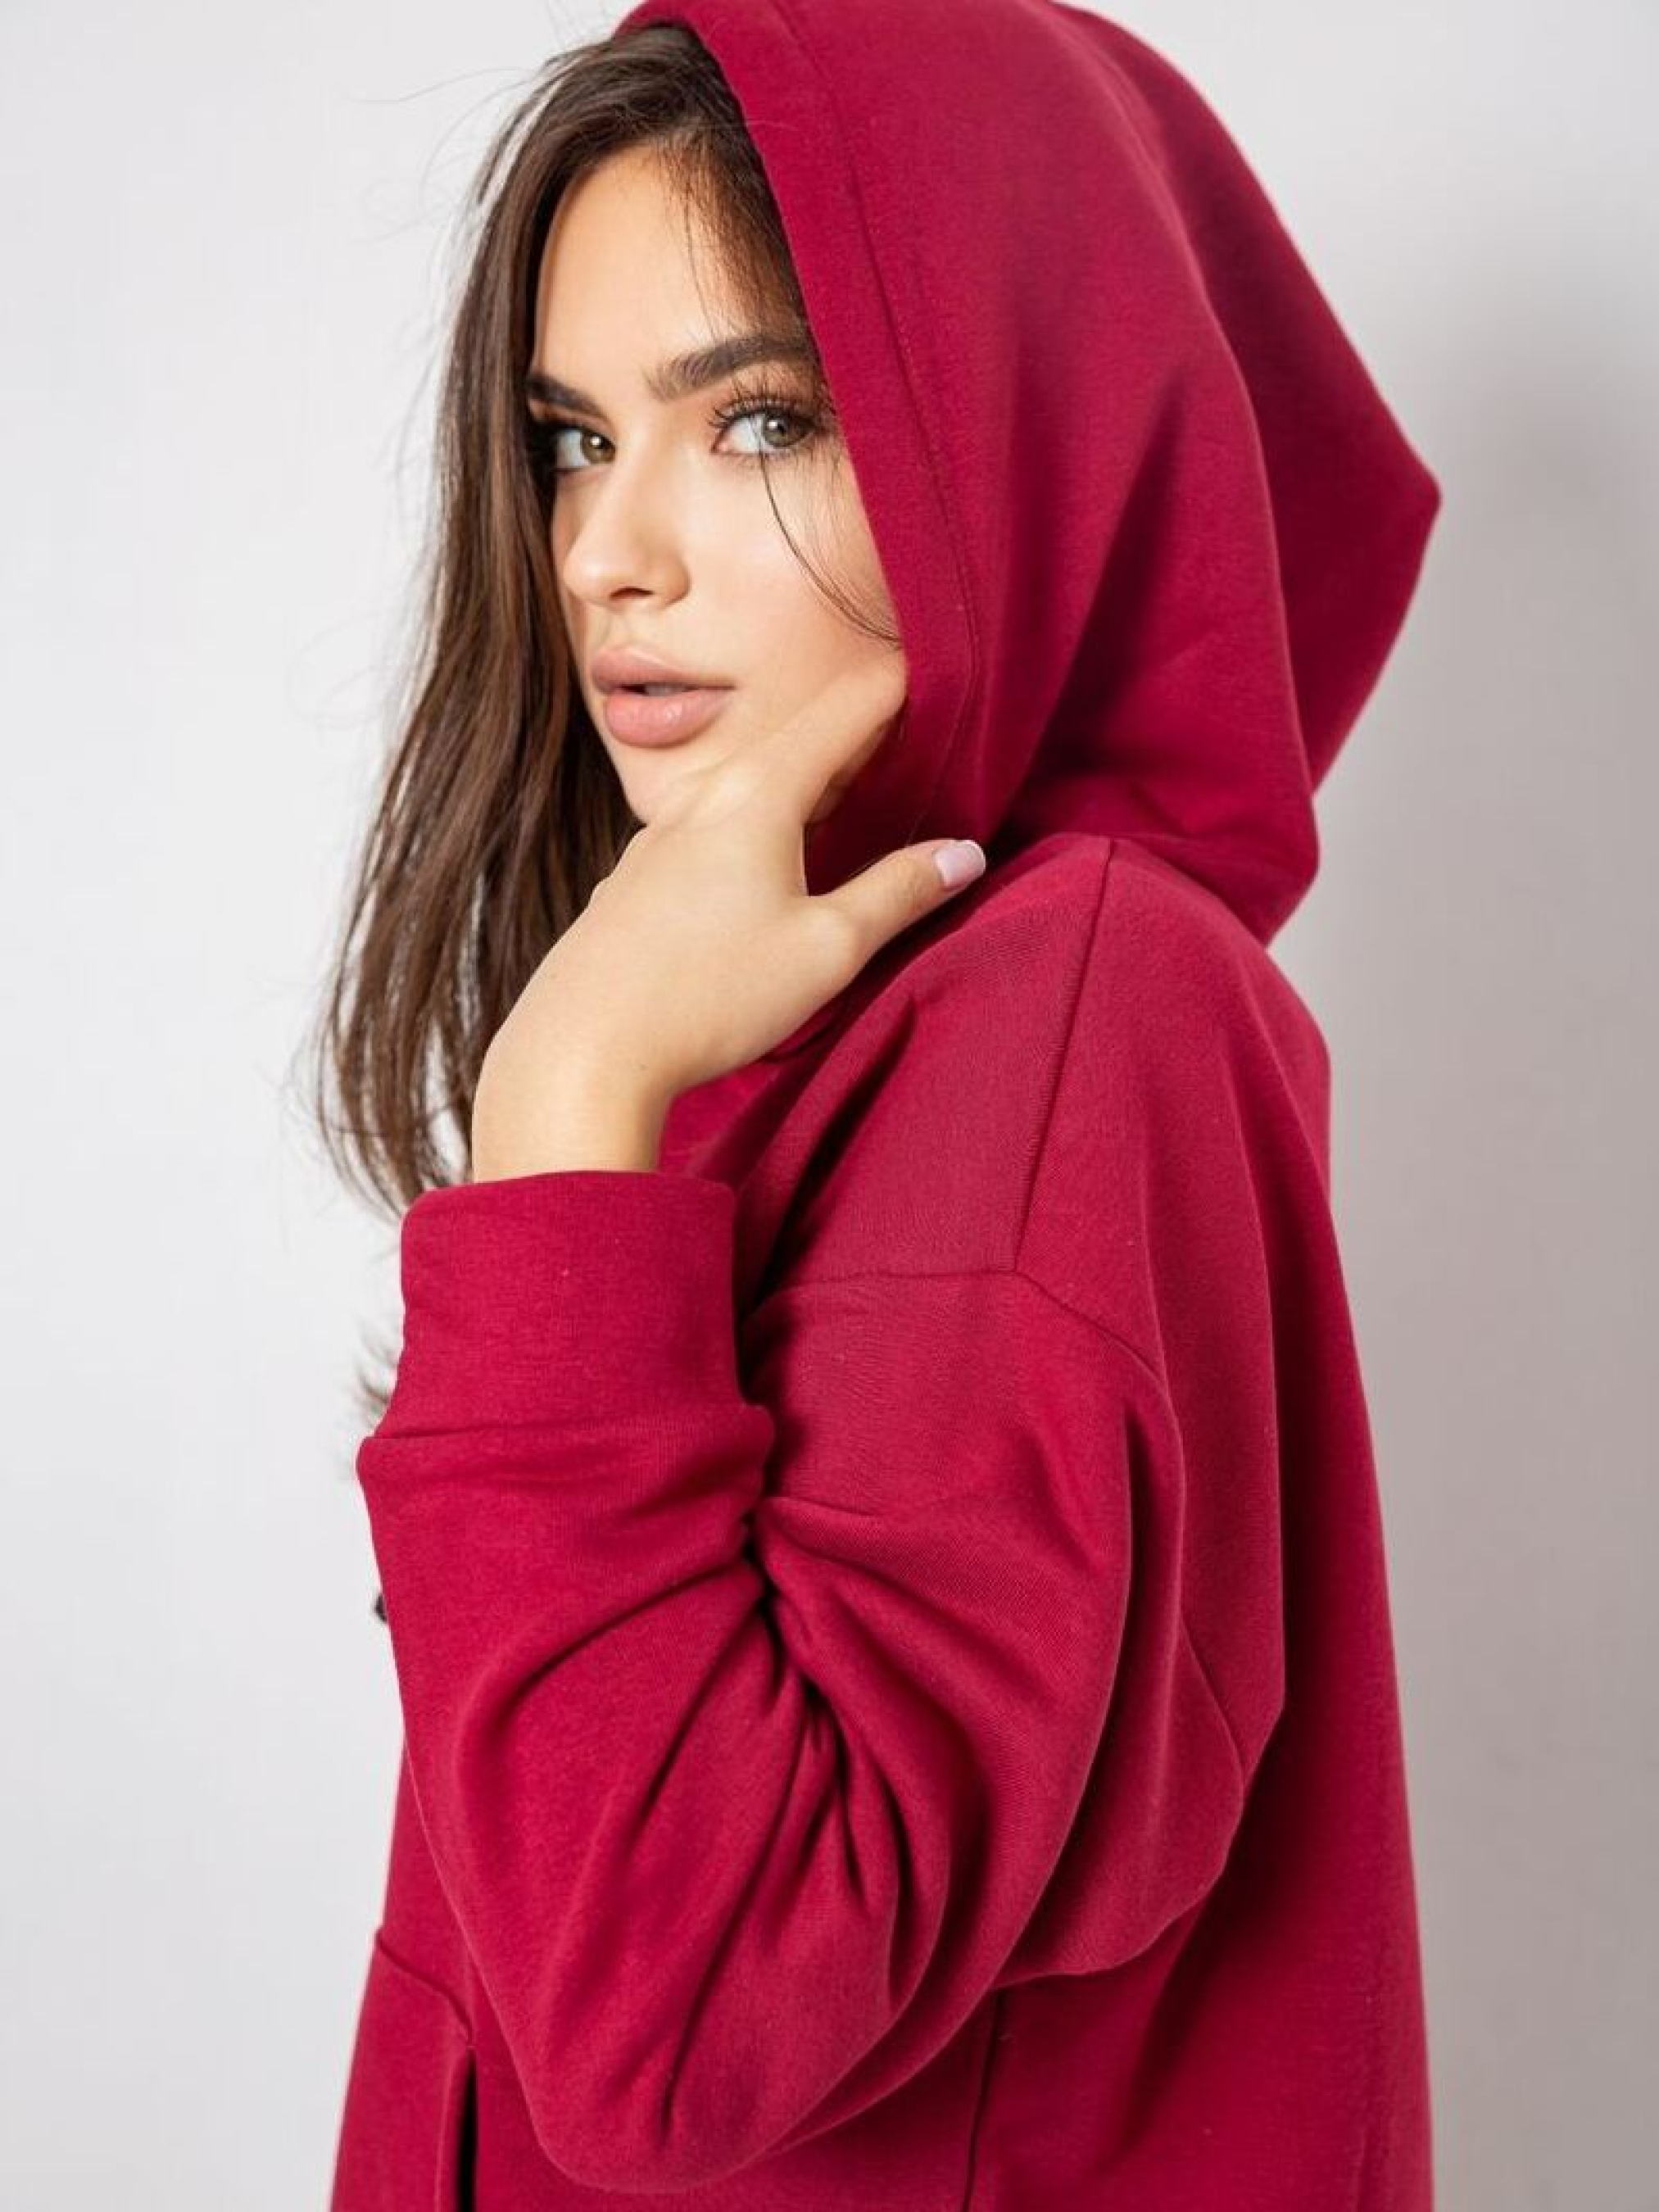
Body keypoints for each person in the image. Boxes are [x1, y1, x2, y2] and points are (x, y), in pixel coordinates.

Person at [315, 2, 1443, 2205]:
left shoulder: (1079, 1003)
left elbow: (672, 2024)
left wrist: (564, 1120)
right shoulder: (822, 1013)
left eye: (758, 418)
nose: (607, 551)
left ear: (1031, 442)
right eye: (572, 439)